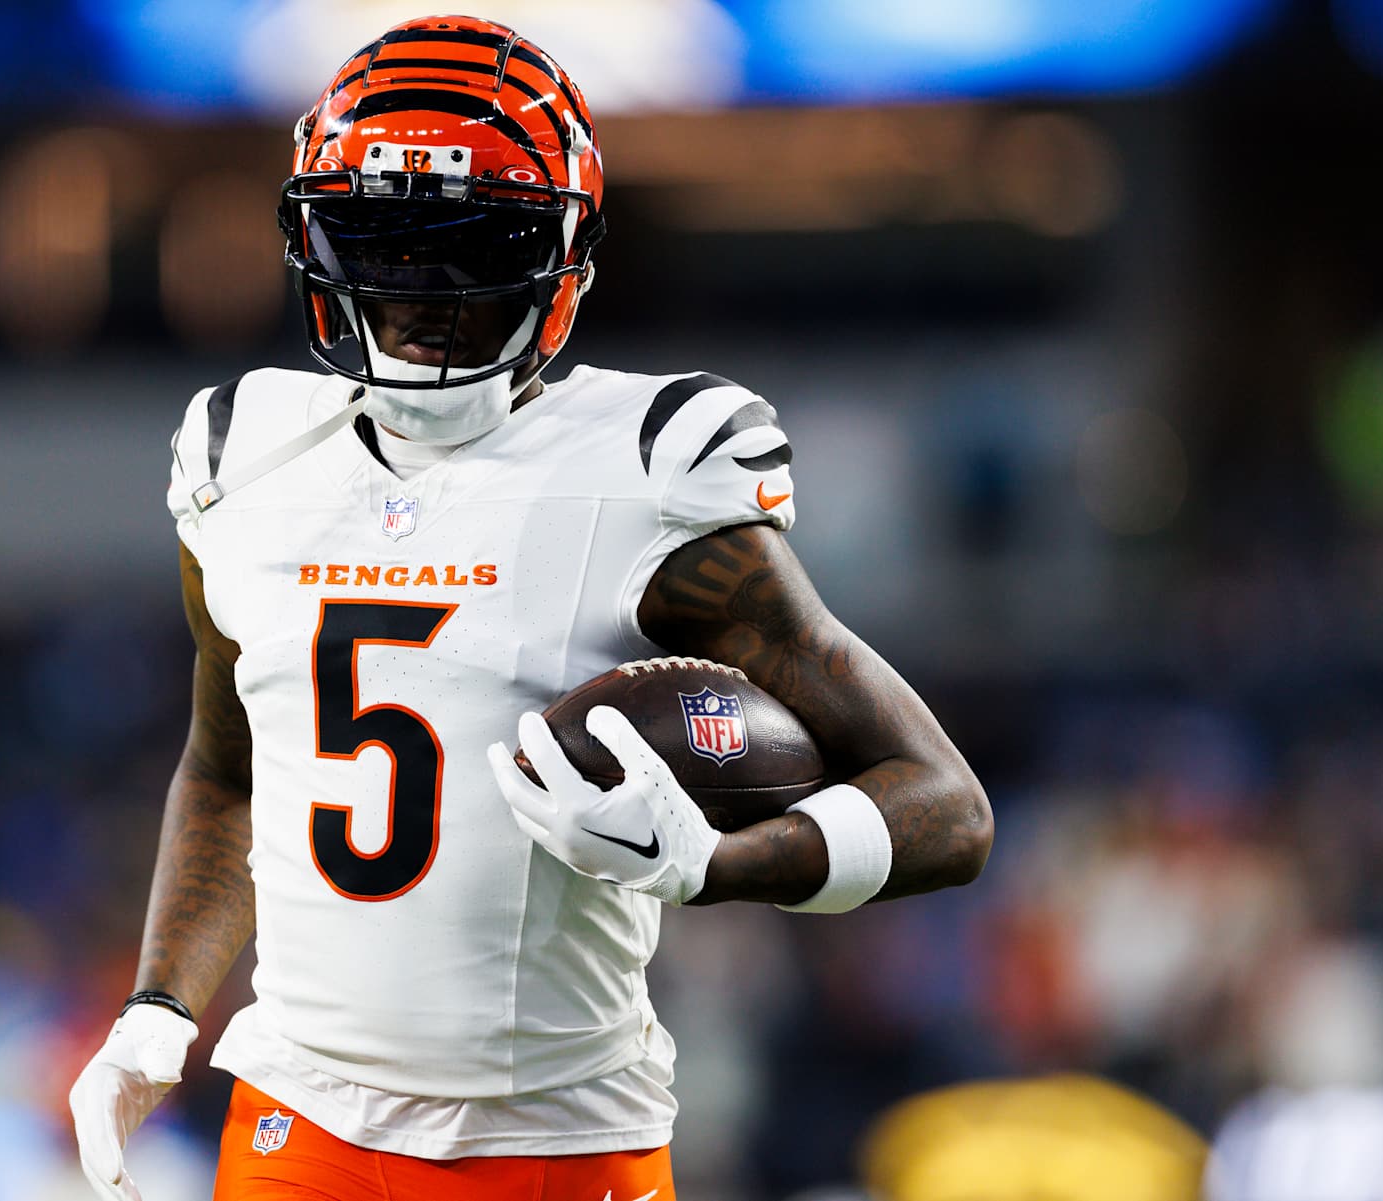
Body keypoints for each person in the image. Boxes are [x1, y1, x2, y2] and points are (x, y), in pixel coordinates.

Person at [69, 14, 992, 1201]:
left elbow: (948, 809)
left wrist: (718, 861)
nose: (418, 295)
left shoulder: (653, 471)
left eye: (471, 250)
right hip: (295, 1124)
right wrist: (158, 1006)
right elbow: (230, 768)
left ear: (563, 259)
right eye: (382, 243)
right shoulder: (242, 456)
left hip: (558, 1147)